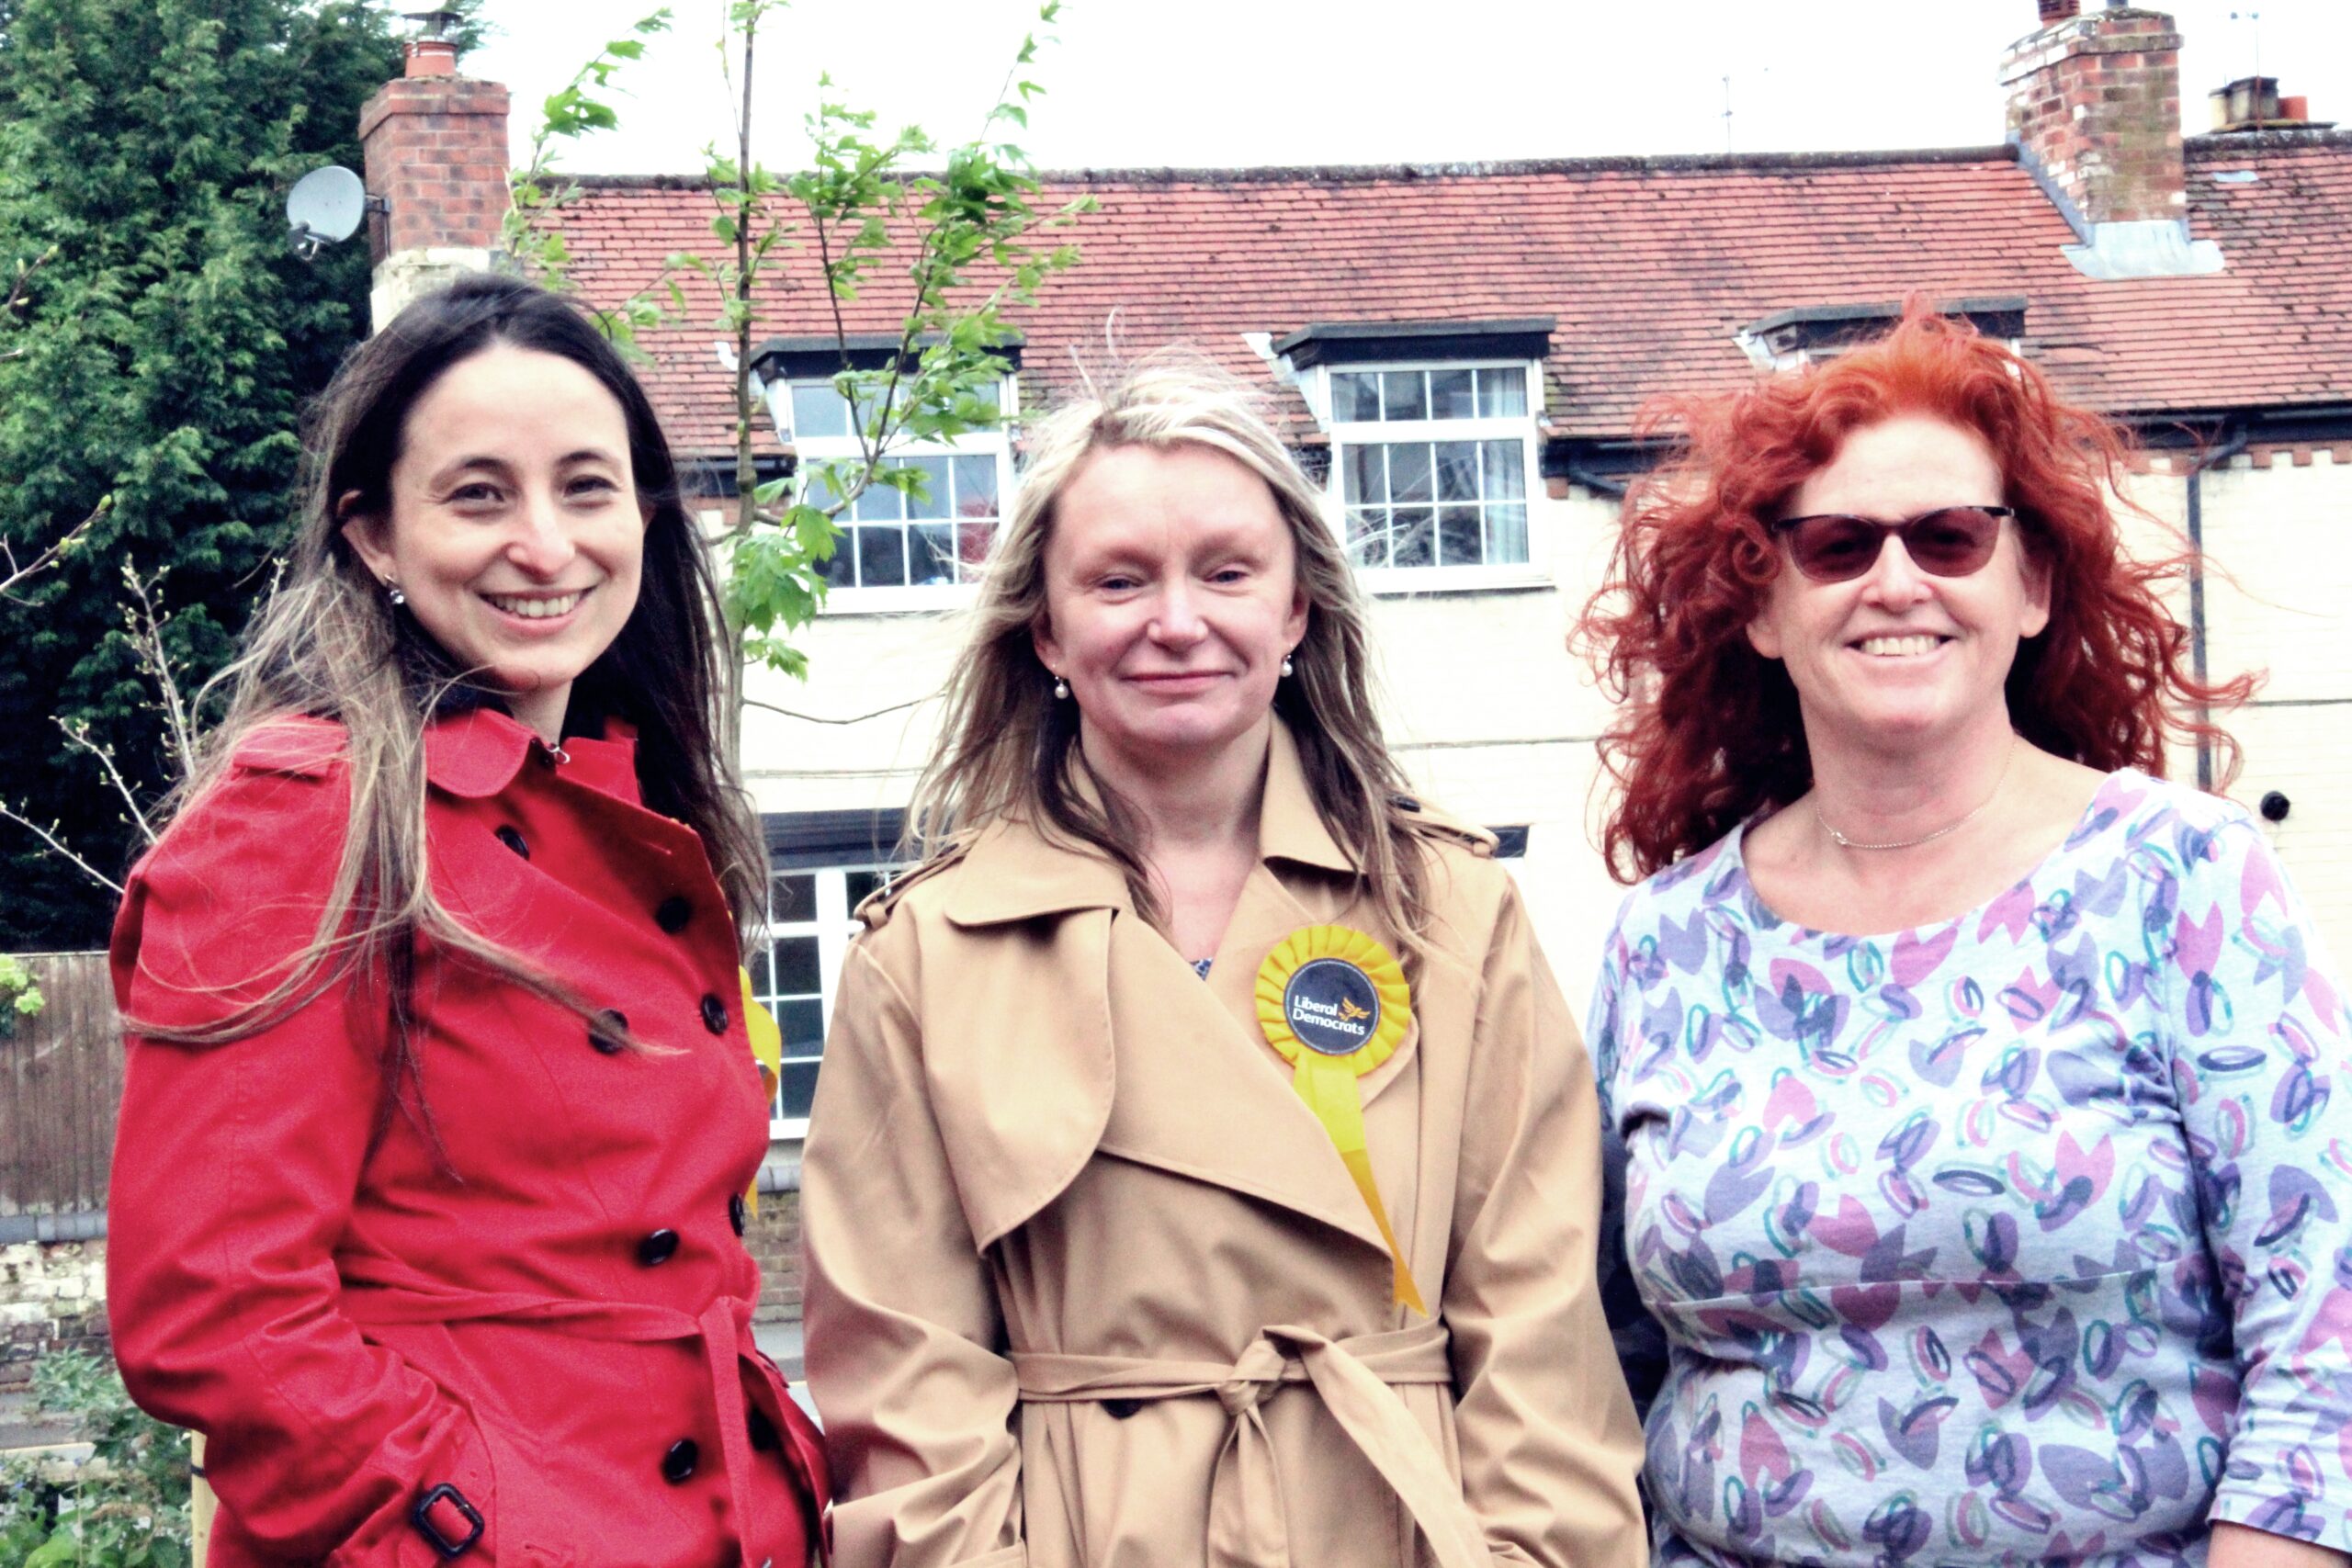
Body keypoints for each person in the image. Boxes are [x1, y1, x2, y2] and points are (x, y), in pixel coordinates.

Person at [799, 352, 1645, 1568]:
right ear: (1045, 627)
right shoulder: (926, 954)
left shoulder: (1451, 911)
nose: (1177, 621)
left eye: (1227, 573)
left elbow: (1545, 1343)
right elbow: (905, 1392)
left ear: (1295, 609)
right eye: (1120, 580)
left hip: (1400, 1526)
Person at [1577, 307, 2352, 1568]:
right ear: (1761, 607)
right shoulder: (1663, 943)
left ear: (2031, 585)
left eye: (1950, 537)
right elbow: (1602, 1364)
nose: (1898, 583)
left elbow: (2329, 1335)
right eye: (1833, 546)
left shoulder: (2187, 881)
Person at [105, 273, 829, 1568]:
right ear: (375, 536)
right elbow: (215, 1313)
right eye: (478, 493)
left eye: (588, 487)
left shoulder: (628, 815)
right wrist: (483, 1535)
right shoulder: (306, 821)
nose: (546, 546)